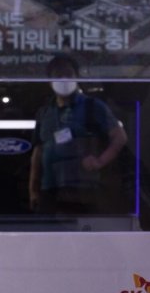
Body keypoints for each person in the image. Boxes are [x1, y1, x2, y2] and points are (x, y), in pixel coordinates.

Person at [28, 55, 127, 214]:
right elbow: (38, 152)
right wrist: (33, 190)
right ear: (50, 81)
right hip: (50, 190)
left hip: (82, 191)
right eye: (58, 75)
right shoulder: (44, 112)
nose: (64, 79)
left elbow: (119, 137)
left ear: (77, 76)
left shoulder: (92, 106)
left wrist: (100, 161)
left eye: (68, 74)